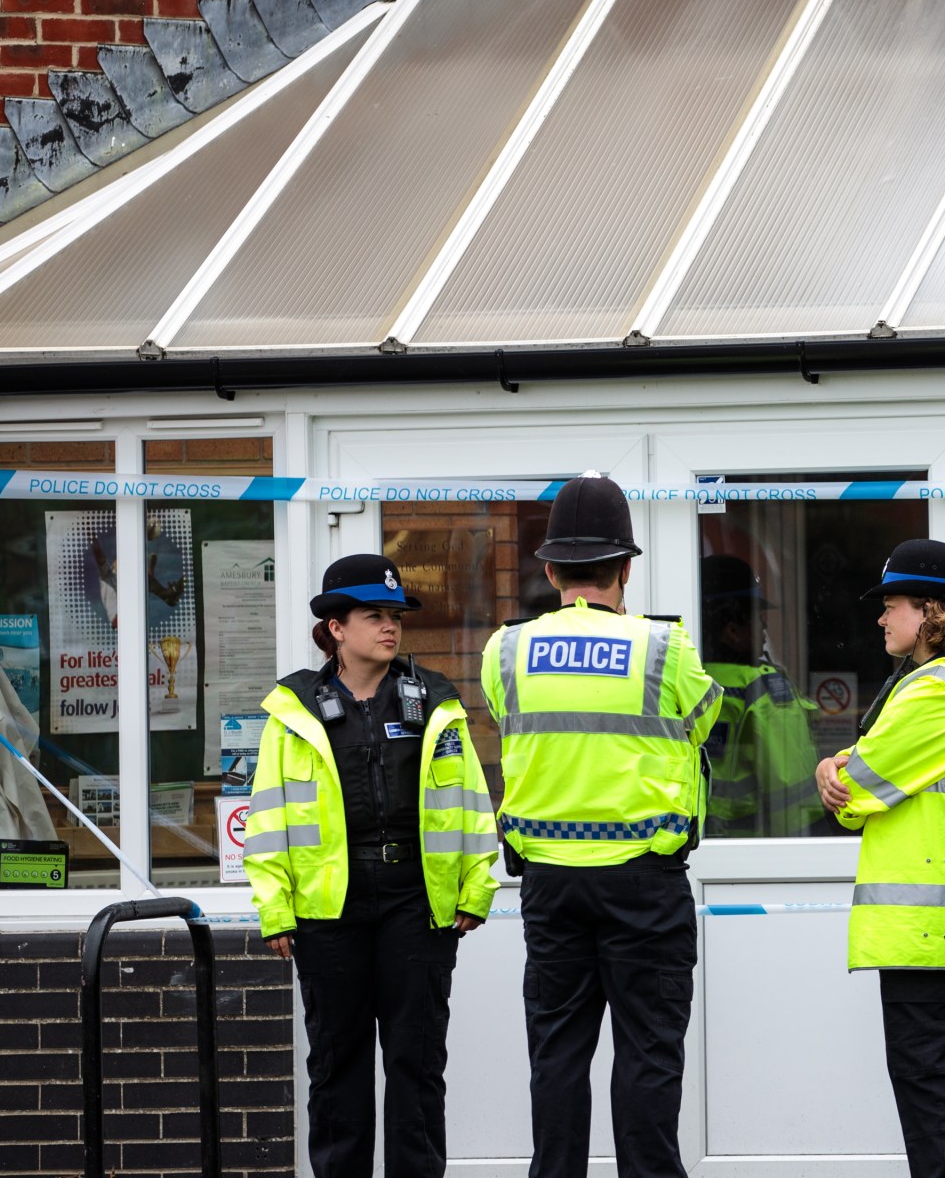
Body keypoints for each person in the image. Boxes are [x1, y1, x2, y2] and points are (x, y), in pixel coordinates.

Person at [481, 473, 719, 1178]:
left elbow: (505, 719)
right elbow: (706, 721)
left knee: (557, 1055)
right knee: (648, 1057)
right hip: (645, 882)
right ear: (625, 568)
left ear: (551, 570)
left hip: (550, 886)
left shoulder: (505, 650)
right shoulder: (664, 648)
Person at [245, 554, 499, 1178]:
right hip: (328, 910)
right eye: (373, 616)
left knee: (416, 1066)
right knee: (338, 1067)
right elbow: (270, 816)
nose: (390, 627)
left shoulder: (434, 701)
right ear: (335, 627)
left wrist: (477, 886)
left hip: (417, 903)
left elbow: (469, 799)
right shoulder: (294, 710)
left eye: (395, 616)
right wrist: (275, 907)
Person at [817, 538, 945, 1178]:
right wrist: (848, 770)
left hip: (922, 926)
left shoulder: (936, 690)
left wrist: (833, 769)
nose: (881, 618)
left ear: (932, 610)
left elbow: (856, 790)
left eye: (893, 605)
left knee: (932, 1085)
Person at [698, 554, 820, 837]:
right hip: (752, 852)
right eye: (758, 617)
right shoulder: (764, 689)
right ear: (733, 631)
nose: (765, 628)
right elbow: (793, 795)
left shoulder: (681, 678)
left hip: (690, 845)